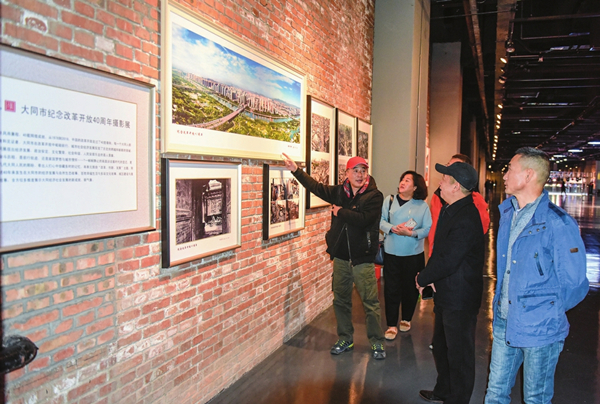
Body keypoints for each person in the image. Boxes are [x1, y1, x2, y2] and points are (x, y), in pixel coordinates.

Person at [484, 147, 589, 404]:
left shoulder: (558, 223)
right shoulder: (508, 213)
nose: (504, 175)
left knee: (535, 399)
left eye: (510, 169)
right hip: (505, 321)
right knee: (495, 394)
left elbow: (575, 283)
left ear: (528, 175)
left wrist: (544, 311)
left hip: (540, 330)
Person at [281, 153, 386, 360]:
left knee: (370, 303)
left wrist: (340, 212)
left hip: (362, 259)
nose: (359, 174)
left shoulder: (375, 196)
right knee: (341, 300)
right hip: (340, 257)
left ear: (367, 173)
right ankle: (346, 338)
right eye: (355, 170)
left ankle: (377, 342)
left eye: (363, 170)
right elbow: (316, 187)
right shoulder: (339, 192)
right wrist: (296, 170)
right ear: (346, 173)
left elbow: (365, 219)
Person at [416, 162, 485, 404]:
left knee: (459, 354)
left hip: (460, 296)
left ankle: (458, 399)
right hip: (447, 290)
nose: (439, 182)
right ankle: (444, 390)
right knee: (442, 346)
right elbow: (439, 250)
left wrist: (423, 278)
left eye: (444, 179)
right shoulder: (452, 208)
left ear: (456, 186)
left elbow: (449, 259)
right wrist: (432, 277)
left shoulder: (466, 216)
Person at [380, 171, 432, 339]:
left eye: (407, 180)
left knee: (410, 289)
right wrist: (392, 228)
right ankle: (391, 325)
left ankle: (407, 318)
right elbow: (380, 220)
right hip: (391, 252)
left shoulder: (422, 206)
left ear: (415, 187)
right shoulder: (389, 201)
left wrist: (410, 233)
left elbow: (427, 229)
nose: (402, 182)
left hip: (413, 254)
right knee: (391, 289)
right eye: (402, 179)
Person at [428, 154, 489, 257]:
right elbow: (434, 226)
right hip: (437, 256)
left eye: (455, 166)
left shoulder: (475, 201)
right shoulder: (438, 196)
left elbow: (479, 230)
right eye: (449, 165)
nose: (449, 169)